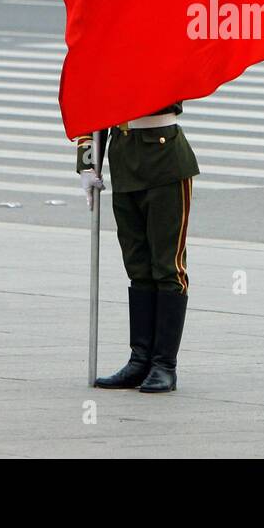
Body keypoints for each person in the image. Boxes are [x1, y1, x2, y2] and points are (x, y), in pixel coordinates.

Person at [77, 103, 198, 392]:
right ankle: (140, 360)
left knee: (167, 267)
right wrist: (86, 162)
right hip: (124, 161)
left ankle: (164, 365)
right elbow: (90, 103)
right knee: (138, 266)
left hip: (164, 160)